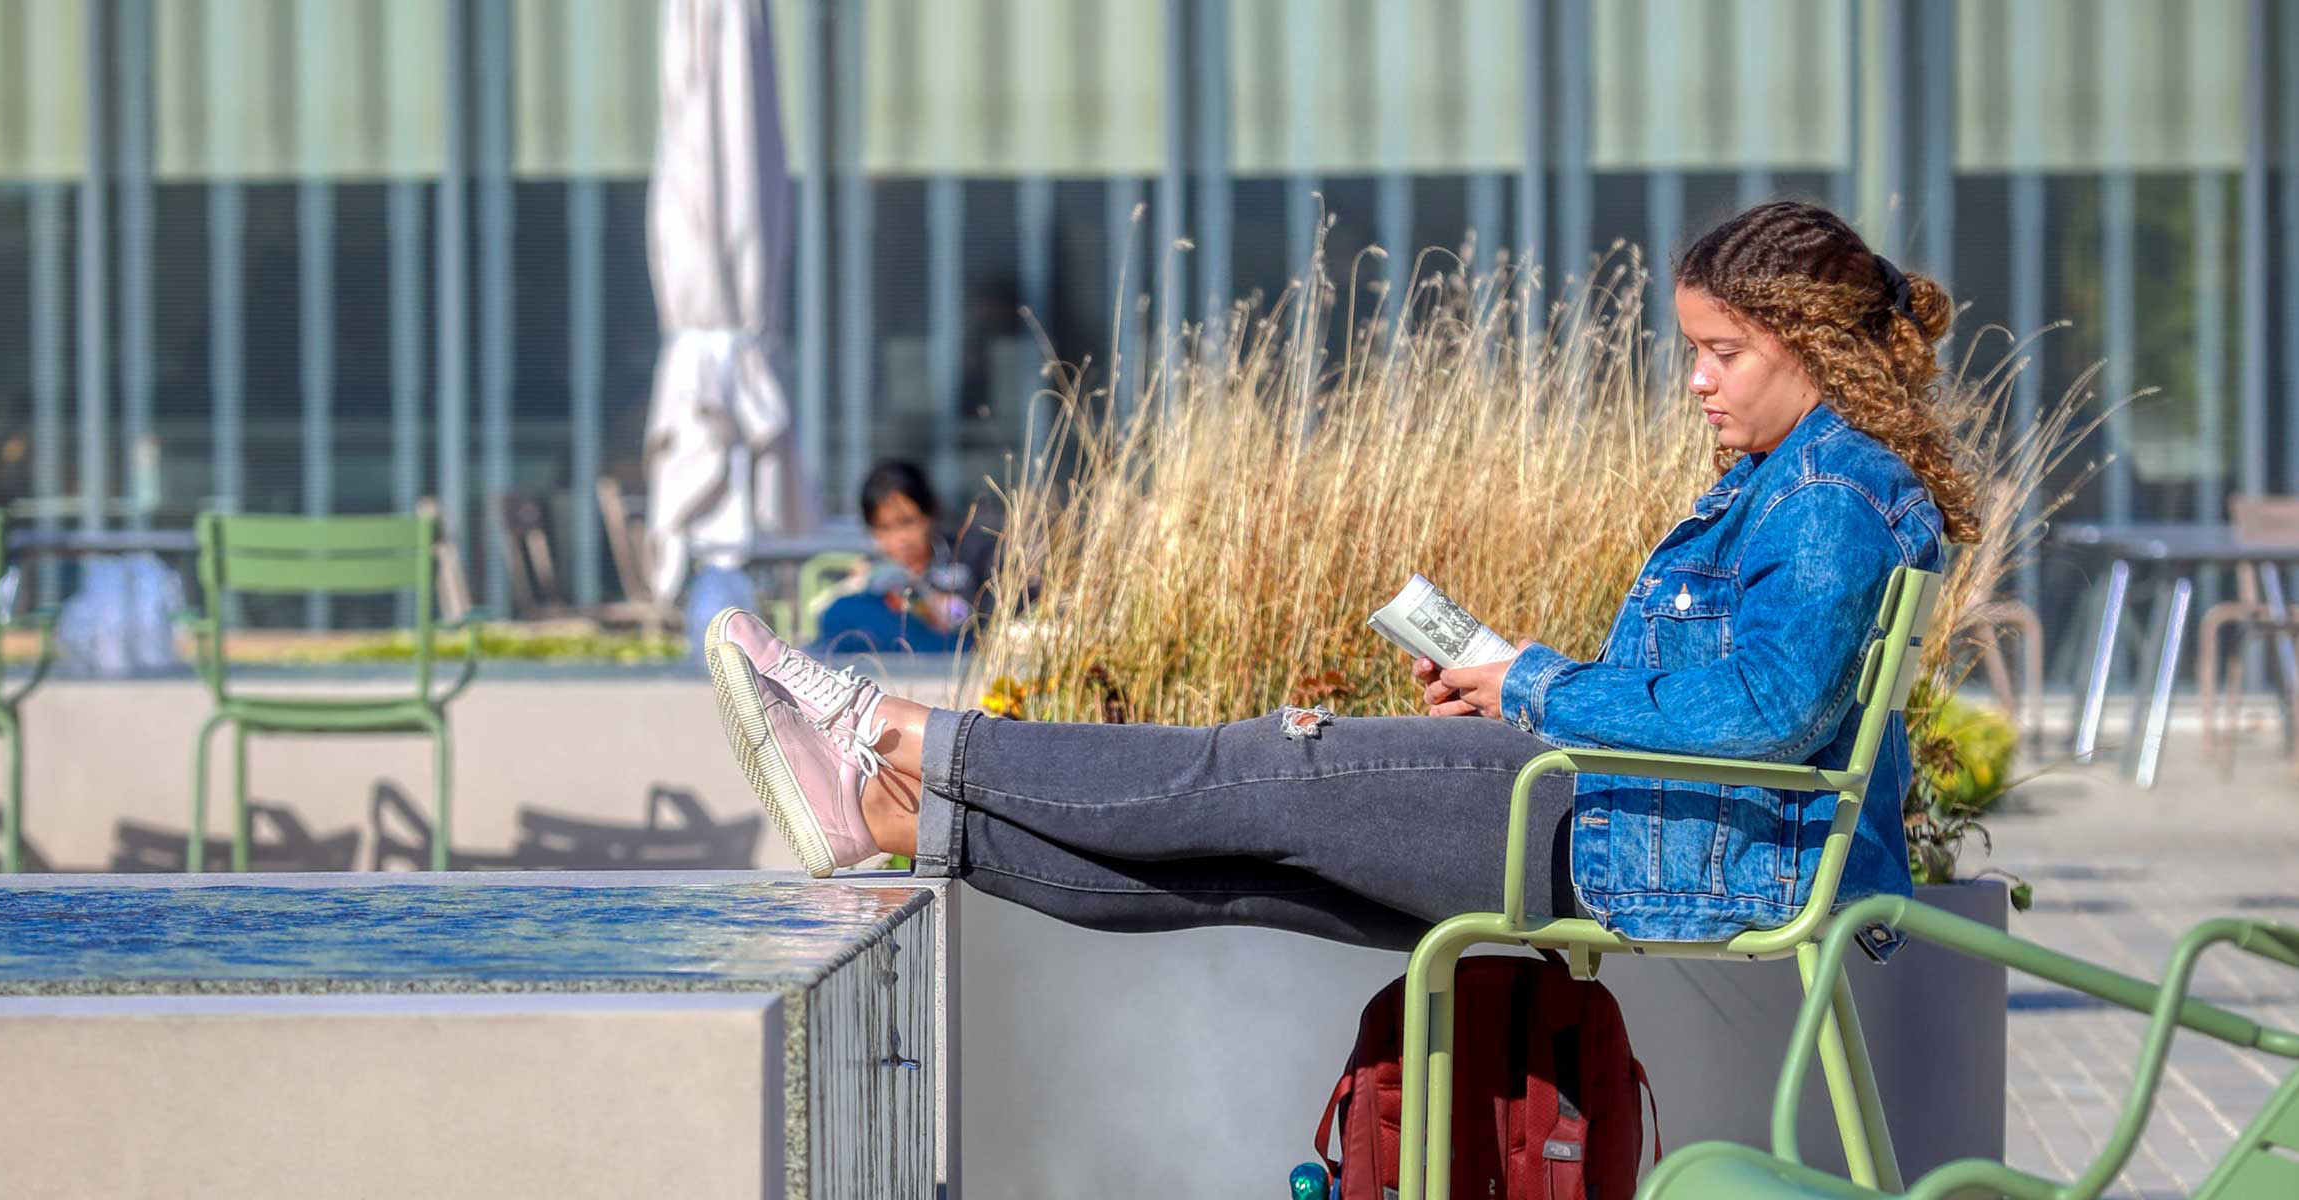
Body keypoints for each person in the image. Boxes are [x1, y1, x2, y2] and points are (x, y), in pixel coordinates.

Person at [702, 202, 1974, 951]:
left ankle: (895, 728)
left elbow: (1764, 711)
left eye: (1723, 353)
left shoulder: (1825, 494)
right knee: (1248, 865)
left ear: (1808, 346)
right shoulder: (1803, 480)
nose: (1695, 380)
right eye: (1692, 350)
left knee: (1265, 765)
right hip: (1643, 837)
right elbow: (1736, 699)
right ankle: (890, 820)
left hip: (1631, 848)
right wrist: (1517, 679)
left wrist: (1531, 680)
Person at [810, 460, 999, 656]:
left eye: (907, 523)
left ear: (930, 514)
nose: (900, 539)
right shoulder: (872, 576)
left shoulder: (970, 559)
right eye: (884, 528)